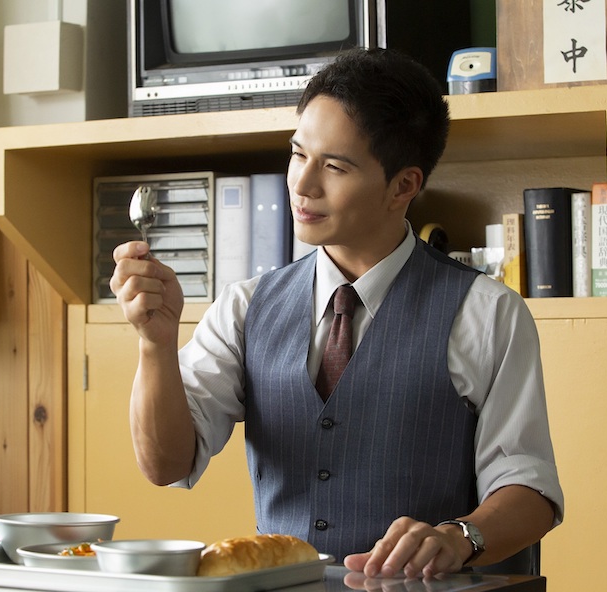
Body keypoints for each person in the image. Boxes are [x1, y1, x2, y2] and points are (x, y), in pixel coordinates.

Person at [110, 47, 563, 579]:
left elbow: (530, 490)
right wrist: (154, 345)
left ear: (404, 186)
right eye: (298, 154)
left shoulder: (486, 312)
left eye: (334, 166)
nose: (302, 185)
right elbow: (164, 464)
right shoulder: (245, 308)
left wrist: (459, 537)